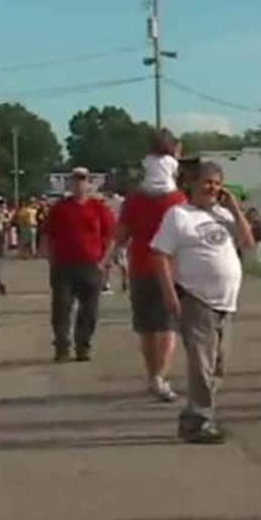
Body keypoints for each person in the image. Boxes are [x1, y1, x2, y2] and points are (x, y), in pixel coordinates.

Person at [153, 161, 257, 443]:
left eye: (217, 183)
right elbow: (159, 255)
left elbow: (248, 242)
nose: (212, 188)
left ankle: (192, 416)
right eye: (207, 182)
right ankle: (201, 419)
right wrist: (170, 295)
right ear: (193, 184)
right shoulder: (179, 215)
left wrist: (234, 209)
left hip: (225, 303)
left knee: (219, 365)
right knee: (201, 364)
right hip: (196, 298)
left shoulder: (223, 215)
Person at [116, 129, 187, 401]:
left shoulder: (134, 199)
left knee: (146, 328)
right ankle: (161, 376)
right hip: (170, 270)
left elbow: (121, 236)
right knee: (167, 326)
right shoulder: (177, 200)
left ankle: (151, 375)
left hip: (140, 267)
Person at [42, 169, 118, 362]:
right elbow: (48, 236)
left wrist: (103, 262)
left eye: (83, 180)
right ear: (70, 185)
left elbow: (111, 238)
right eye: (75, 181)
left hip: (91, 266)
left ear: (89, 184)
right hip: (64, 267)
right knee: (61, 308)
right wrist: (51, 259)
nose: (79, 185)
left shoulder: (99, 209)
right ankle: (62, 346)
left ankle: (83, 346)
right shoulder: (60, 208)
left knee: (89, 311)